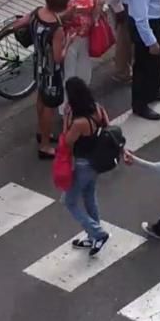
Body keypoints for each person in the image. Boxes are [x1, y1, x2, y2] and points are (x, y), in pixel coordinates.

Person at [12, 0, 70, 159]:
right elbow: (59, 57)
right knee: (49, 106)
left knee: (40, 98)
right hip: (52, 71)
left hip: (38, 63)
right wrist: (69, 42)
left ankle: (42, 132)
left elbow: (17, 25)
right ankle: (45, 145)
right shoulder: (57, 28)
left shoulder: (37, 13)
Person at [62, 77, 111, 256]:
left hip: (84, 164)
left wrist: (66, 118)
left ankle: (98, 233)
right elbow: (107, 124)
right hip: (97, 161)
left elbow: (67, 140)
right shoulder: (97, 109)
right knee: (89, 196)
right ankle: (93, 235)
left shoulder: (79, 123)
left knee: (69, 201)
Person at [53, 0, 102, 114]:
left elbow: (95, 13)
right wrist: (70, 13)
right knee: (69, 75)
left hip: (86, 34)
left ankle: (82, 105)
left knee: (84, 73)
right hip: (67, 37)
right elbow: (53, 15)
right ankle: (66, 109)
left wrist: (100, 4)